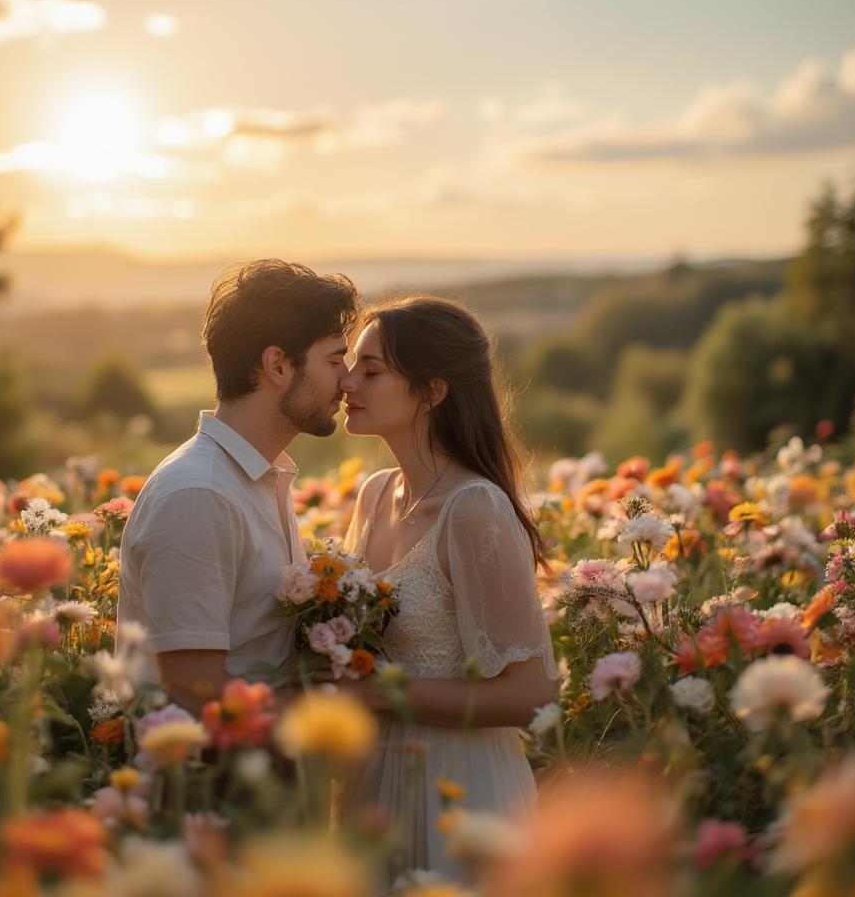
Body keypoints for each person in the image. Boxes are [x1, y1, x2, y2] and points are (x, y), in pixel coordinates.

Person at [336, 296, 558, 880]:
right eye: (350, 363)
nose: (347, 382)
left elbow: (531, 695)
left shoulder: (474, 508)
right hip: (375, 777)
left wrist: (381, 693)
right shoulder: (375, 494)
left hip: (457, 785)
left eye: (371, 370)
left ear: (433, 392)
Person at [116, 259, 358, 713]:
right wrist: (334, 713)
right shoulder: (200, 495)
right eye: (333, 360)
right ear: (277, 366)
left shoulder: (260, 479)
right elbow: (196, 694)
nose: (346, 380)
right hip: (212, 782)